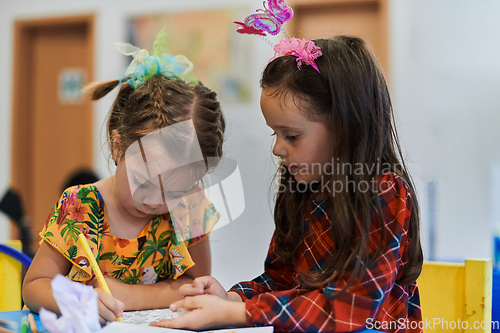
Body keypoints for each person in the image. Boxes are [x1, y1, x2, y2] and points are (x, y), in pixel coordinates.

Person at [151, 36, 423, 333]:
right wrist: (231, 298)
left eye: (291, 136)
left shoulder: (383, 193)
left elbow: (351, 307)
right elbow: (281, 279)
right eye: (274, 135)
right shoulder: (303, 187)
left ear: (345, 126)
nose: (277, 148)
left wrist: (241, 313)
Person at [22, 30, 226, 325]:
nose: (155, 199)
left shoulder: (190, 205)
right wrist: (80, 299)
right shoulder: (80, 204)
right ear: (118, 145)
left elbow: (198, 285)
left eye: (174, 189)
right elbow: (34, 287)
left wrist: (127, 294)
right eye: (144, 181)